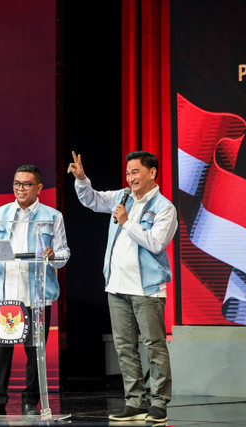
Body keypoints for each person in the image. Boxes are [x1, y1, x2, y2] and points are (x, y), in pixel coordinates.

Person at [67, 150, 177, 423]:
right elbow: (92, 200)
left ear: (152, 173)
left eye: (135, 172)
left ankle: (159, 401)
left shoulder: (165, 207)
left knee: (154, 345)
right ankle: (135, 401)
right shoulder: (122, 197)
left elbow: (155, 243)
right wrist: (82, 179)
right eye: (128, 173)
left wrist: (126, 222)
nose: (130, 178)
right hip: (116, 286)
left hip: (147, 289)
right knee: (124, 347)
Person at [0, 164, 70, 416]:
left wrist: (52, 254)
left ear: (38, 188)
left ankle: (30, 402)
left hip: (37, 295)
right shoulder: (0, 213)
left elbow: (64, 254)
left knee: (35, 351)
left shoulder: (53, 216)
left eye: (26, 184)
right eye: (17, 184)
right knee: (2, 350)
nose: (20, 189)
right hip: (6, 294)